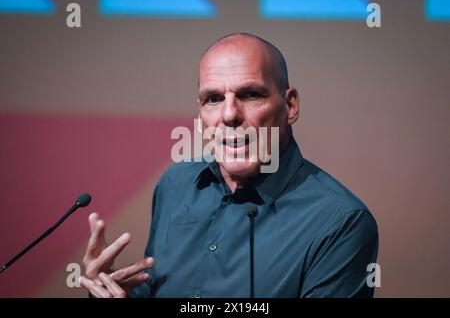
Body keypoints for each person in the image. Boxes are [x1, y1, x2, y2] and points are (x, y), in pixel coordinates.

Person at [79, 33, 378, 298]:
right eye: (213, 98)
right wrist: (109, 289)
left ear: (290, 105)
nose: (230, 114)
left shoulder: (341, 222)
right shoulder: (175, 184)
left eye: (250, 94)